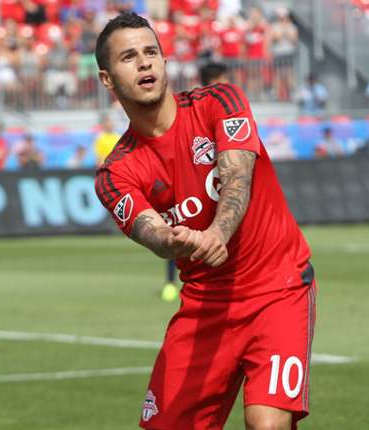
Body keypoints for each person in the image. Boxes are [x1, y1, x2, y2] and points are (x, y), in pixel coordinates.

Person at [94, 13, 315, 430]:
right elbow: (149, 230)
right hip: (204, 305)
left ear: (164, 61)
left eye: (151, 52)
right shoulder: (115, 172)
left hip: (277, 287)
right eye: (129, 57)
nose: (144, 62)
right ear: (107, 79)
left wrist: (218, 233)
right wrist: (170, 240)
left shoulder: (220, 101)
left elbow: (237, 177)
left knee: (267, 424)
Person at [162, 61, 230, 302]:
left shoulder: (214, 106)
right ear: (215, 81)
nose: (227, 84)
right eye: (224, 79)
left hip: (208, 184)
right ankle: (173, 282)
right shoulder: (199, 109)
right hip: (195, 185)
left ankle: (176, 282)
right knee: (182, 235)